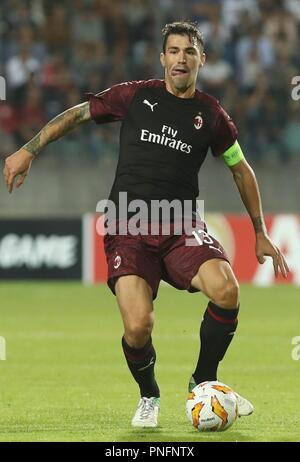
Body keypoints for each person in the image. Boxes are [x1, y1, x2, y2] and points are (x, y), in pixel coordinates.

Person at [3, 21, 289, 428]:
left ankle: (204, 380)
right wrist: (28, 151)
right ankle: (149, 395)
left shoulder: (211, 116)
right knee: (138, 326)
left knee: (226, 289)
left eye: (189, 52)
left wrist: (259, 231)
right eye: (173, 51)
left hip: (180, 225)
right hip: (128, 226)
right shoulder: (136, 96)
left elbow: (241, 169)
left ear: (202, 59)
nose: (181, 59)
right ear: (162, 58)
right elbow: (77, 115)